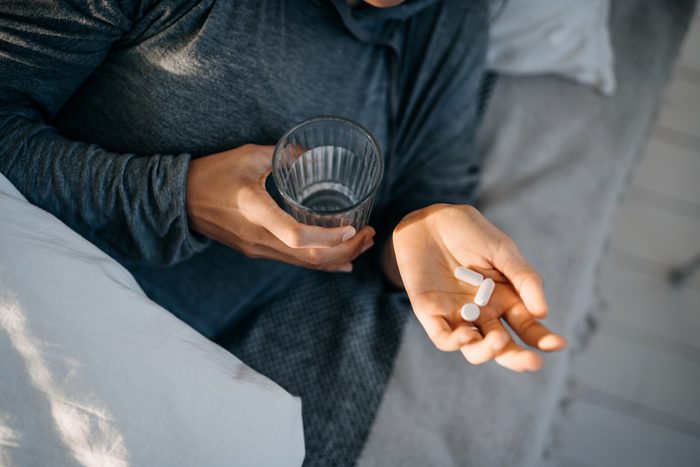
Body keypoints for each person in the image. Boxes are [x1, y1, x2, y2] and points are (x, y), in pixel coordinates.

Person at [0, 0, 566, 464]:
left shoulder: (449, 18)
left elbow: (423, 190)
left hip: (176, 372)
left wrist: (417, 229)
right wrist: (178, 196)